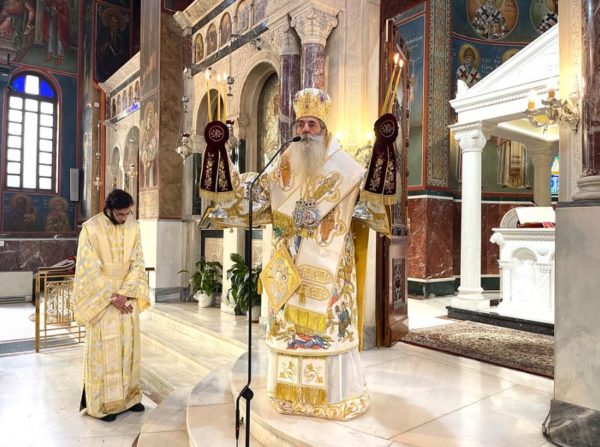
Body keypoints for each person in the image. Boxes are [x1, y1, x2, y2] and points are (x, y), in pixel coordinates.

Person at [210, 88, 390, 420]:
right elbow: (252, 199)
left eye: (312, 124)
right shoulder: (283, 165)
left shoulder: (347, 169)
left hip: (331, 271)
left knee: (327, 331)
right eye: (301, 124)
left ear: (324, 128)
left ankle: (333, 398)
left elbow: (371, 205)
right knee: (291, 332)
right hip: (289, 270)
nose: (305, 130)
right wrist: (221, 156)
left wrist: (383, 154)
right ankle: (288, 395)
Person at [73, 189, 149, 422]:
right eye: (120, 214)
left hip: (126, 299)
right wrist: (111, 296)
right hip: (103, 302)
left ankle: (129, 398)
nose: (124, 218)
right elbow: (88, 268)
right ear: (109, 209)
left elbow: (138, 261)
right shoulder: (91, 228)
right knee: (105, 353)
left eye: (128, 213)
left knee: (128, 350)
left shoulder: (133, 227)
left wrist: (125, 294)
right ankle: (103, 404)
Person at [41, 0, 70, 66]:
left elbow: (66, 18)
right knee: (50, 36)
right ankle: (49, 55)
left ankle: (59, 59)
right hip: (52, 20)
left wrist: (58, 14)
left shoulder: (64, 5)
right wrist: (44, 5)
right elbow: (49, 12)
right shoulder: (52, 2)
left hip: (60, 24)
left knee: (60, 39)